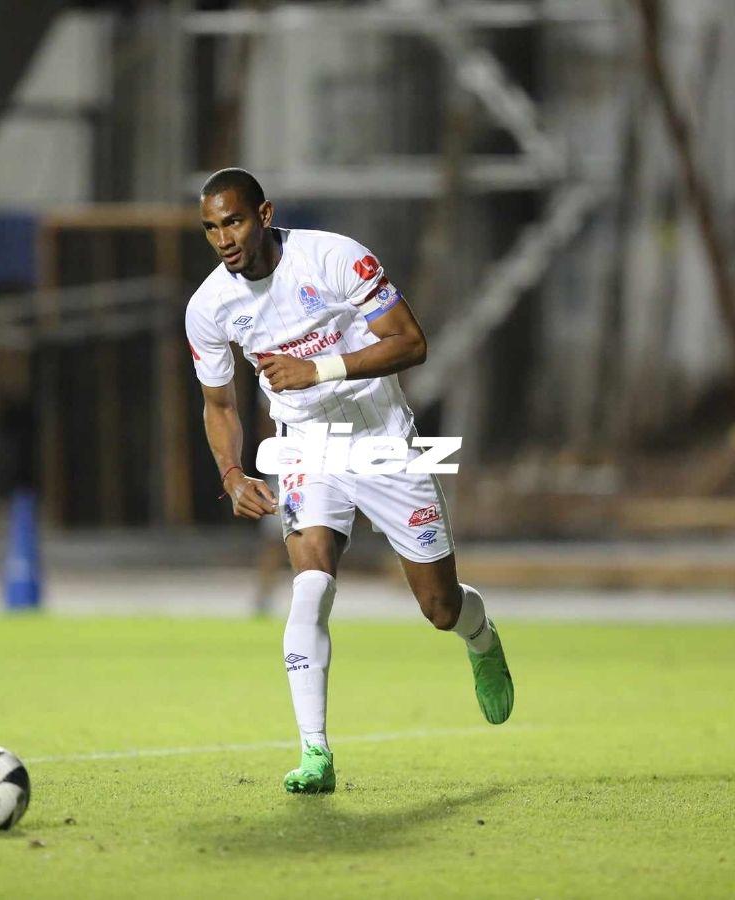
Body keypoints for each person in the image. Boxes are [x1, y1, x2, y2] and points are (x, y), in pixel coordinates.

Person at [185, 167, 513, 794]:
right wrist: (231, 474)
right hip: (306, 447)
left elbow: (411, 342)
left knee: (439, 608)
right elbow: (219, 405)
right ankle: (316, 753)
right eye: (211, 227)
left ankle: (482, 637)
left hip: (382, 436)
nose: (224, 237)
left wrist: (318, 370)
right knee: (309, 588)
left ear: (263, 214)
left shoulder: (335, 257)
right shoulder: (209, 307)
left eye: (233, 221)